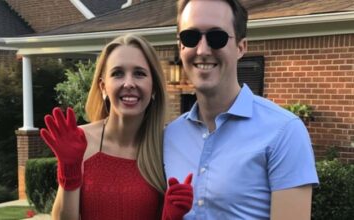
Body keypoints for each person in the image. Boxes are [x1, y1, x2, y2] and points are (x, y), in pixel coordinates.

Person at [163, 0, 319, 219]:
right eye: (191, 37)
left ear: (241, 47)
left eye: (217, 38)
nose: (203, 49)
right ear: (181, 47)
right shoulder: (171, 135)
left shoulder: (284, 131)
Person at [40, 34, 193, 220]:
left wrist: (171, 217)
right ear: (103, 87)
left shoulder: (166, 147)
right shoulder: (80, 142)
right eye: (117, 73)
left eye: (139, 73)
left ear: (153, 87)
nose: (129, 83)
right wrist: (69, 171)